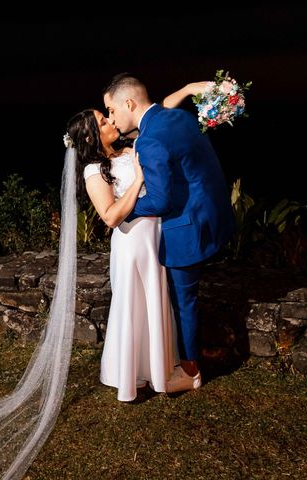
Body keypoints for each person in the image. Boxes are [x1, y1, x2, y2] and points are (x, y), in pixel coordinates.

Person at [64, 83, 201, 401]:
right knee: (134, 306)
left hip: (156, 238)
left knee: (156, 300)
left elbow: (160, 109)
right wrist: (139, 179)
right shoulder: (94, 170)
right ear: (89, 137)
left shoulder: (133, 147)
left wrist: (192, 89)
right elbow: (111, 216)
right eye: (102, 121)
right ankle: (130, 377)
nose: (111, 121)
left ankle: (158, 370)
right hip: (130, 246)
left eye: (108, 115)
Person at [103, 73, 236, 393]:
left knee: (183, 299)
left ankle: (190, 371)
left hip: (187, 228)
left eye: (111, 110)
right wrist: (189, 88)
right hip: (213, 213)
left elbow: (161, 200)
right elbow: (161, 108)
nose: (111, 118)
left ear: (129, 104)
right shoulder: (179, 117)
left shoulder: (149, 140)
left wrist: (121, 211)